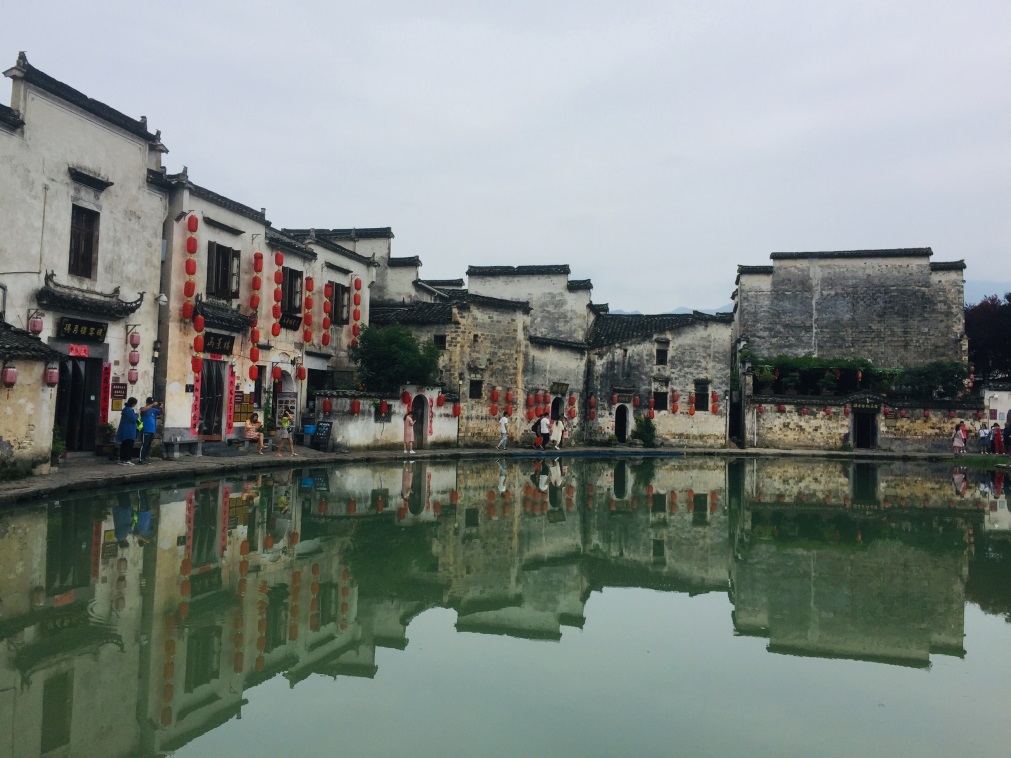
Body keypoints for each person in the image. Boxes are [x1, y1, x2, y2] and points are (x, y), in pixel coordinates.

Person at [116, 397, 139, 465]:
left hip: (124, 431)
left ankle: (122, 459)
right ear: (133, 404)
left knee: (124, 446)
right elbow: (133, 419)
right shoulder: (129, 410)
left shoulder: (125, 409)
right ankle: (127, 460)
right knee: (129, 446)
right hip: (129, 431)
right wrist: (137, 413)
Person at [138, 397, 161, 463]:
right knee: (144, 445)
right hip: (145, 429)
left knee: (148, 445)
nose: (152, 404)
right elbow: (143, 410)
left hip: (152, 430)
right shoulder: (143, 408)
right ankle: (141, 459)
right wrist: (152, 404)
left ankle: (145, 458)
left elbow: (161, 413)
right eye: (150, 403)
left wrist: (161, 407)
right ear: (147, 403)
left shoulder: (154, 410)